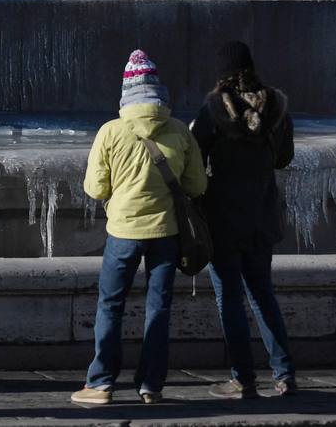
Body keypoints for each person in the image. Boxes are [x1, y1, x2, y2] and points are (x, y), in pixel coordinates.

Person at [72, 50, 207, 406]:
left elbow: (95, 189)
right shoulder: (179, 131)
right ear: (158, 91)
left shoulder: (110, 132)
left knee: (111, 306)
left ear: (126, 92)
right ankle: (151, 385)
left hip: (123, 235)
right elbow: (196, 187)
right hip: (166, 234)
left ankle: (100, 384)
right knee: (158, 308)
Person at [191, 40, 297, 399]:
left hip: (223, 219)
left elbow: (195, 161)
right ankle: (285, 375)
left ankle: (242, 379)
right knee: (263, 294)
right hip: (262, 217)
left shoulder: (212, 110)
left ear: (221, 71)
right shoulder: (278, 108)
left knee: (230, 300)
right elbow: (284, 158)